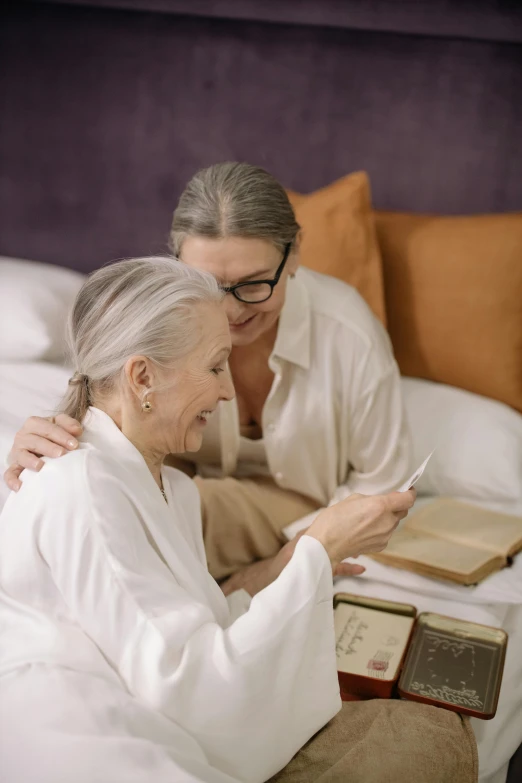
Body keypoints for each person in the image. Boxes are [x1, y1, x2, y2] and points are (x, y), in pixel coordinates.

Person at [0, 256, 477, 783]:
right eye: (214, 366)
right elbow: (193, 696)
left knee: (435, 734)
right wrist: (317, 544)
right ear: (142, 377)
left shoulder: (166, 487)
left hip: (156, 721)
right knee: (429, 745)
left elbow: (190, 626)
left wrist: (299, 563)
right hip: (102, 745)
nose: (228, 391)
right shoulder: (84, 488)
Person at [5, 162, 411, 594]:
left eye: (255, 285)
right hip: (175, 484)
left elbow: (382, 483)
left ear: (293, 254)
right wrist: (50, 442)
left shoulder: (348, 335)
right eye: (207, 283)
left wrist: (310, 546)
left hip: (300, 505)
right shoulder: (161, 314)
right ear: (176, 260)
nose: (233, 311)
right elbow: (104, 411)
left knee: (141, 526)